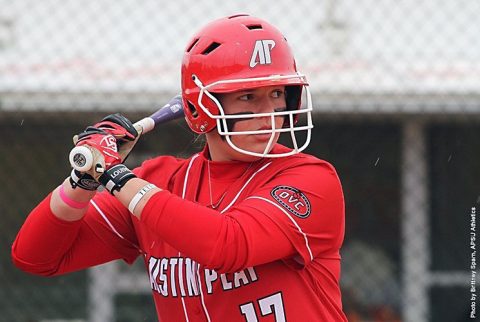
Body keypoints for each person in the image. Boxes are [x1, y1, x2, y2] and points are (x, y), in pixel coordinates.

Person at [12, 14, 347, 321]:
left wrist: (113, 175)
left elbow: (228, 245)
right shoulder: (161, 182)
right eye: (247, 96)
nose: (269, 111)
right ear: (202, 106)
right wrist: (83, 178)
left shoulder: (311, 179)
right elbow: (36, 257)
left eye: (277, 92)